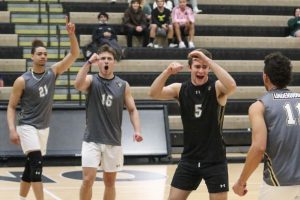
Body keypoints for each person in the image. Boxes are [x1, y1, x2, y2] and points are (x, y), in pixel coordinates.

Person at [6, 16, 79, 200]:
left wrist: (72, 35)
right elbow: (11, 107)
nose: (43, 56)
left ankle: (21, 198)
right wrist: (12, 130)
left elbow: (74, 55)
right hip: (27, 126)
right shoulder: (22, 80)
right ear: (32, 56)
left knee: (30, 165)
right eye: (39, 54)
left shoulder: (52, 73)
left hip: (43, 127)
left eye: (45, 54)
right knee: (37, 163)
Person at [149, 48, 236, 200]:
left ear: (209, 68)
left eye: (204, 67)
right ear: (190, 68)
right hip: (189, 158)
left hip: (214, 159)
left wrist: (207, 60)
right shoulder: (180, 88)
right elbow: (154, 93)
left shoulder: (217, 88)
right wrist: (167, 72)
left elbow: (232, 86)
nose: (201, 70)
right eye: (197, 66)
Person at [74, 44, 143, 200]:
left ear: (114, 62)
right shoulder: (91, 80)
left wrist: (137, 130)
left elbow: (132, 109)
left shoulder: (123, 85)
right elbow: (78, 84)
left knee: (110, 183)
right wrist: (87, 63)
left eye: (109, 58)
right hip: (92, 139)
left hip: (113, 140)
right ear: (98, 61)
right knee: (87, 179)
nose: (106, 61)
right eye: (103, 58)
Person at [232, 52, 300, 200]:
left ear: (265, 77)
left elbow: (258, 148)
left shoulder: (259, 106)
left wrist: (241, 181)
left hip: (278, 183)